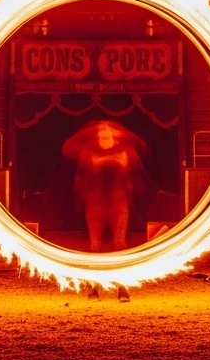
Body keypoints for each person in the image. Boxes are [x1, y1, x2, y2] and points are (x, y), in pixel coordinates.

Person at [63, 120, 149, 301]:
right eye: (100, 130)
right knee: (95, 247)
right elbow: (72, 156)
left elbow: (138, 160)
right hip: (95, 205)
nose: (104, 131)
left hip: (118, 203)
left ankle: (122, 288)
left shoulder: (124, 150)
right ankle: (94, 288)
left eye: (108, 129)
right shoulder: (89, 150)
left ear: (114, 134)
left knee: (120, 246)